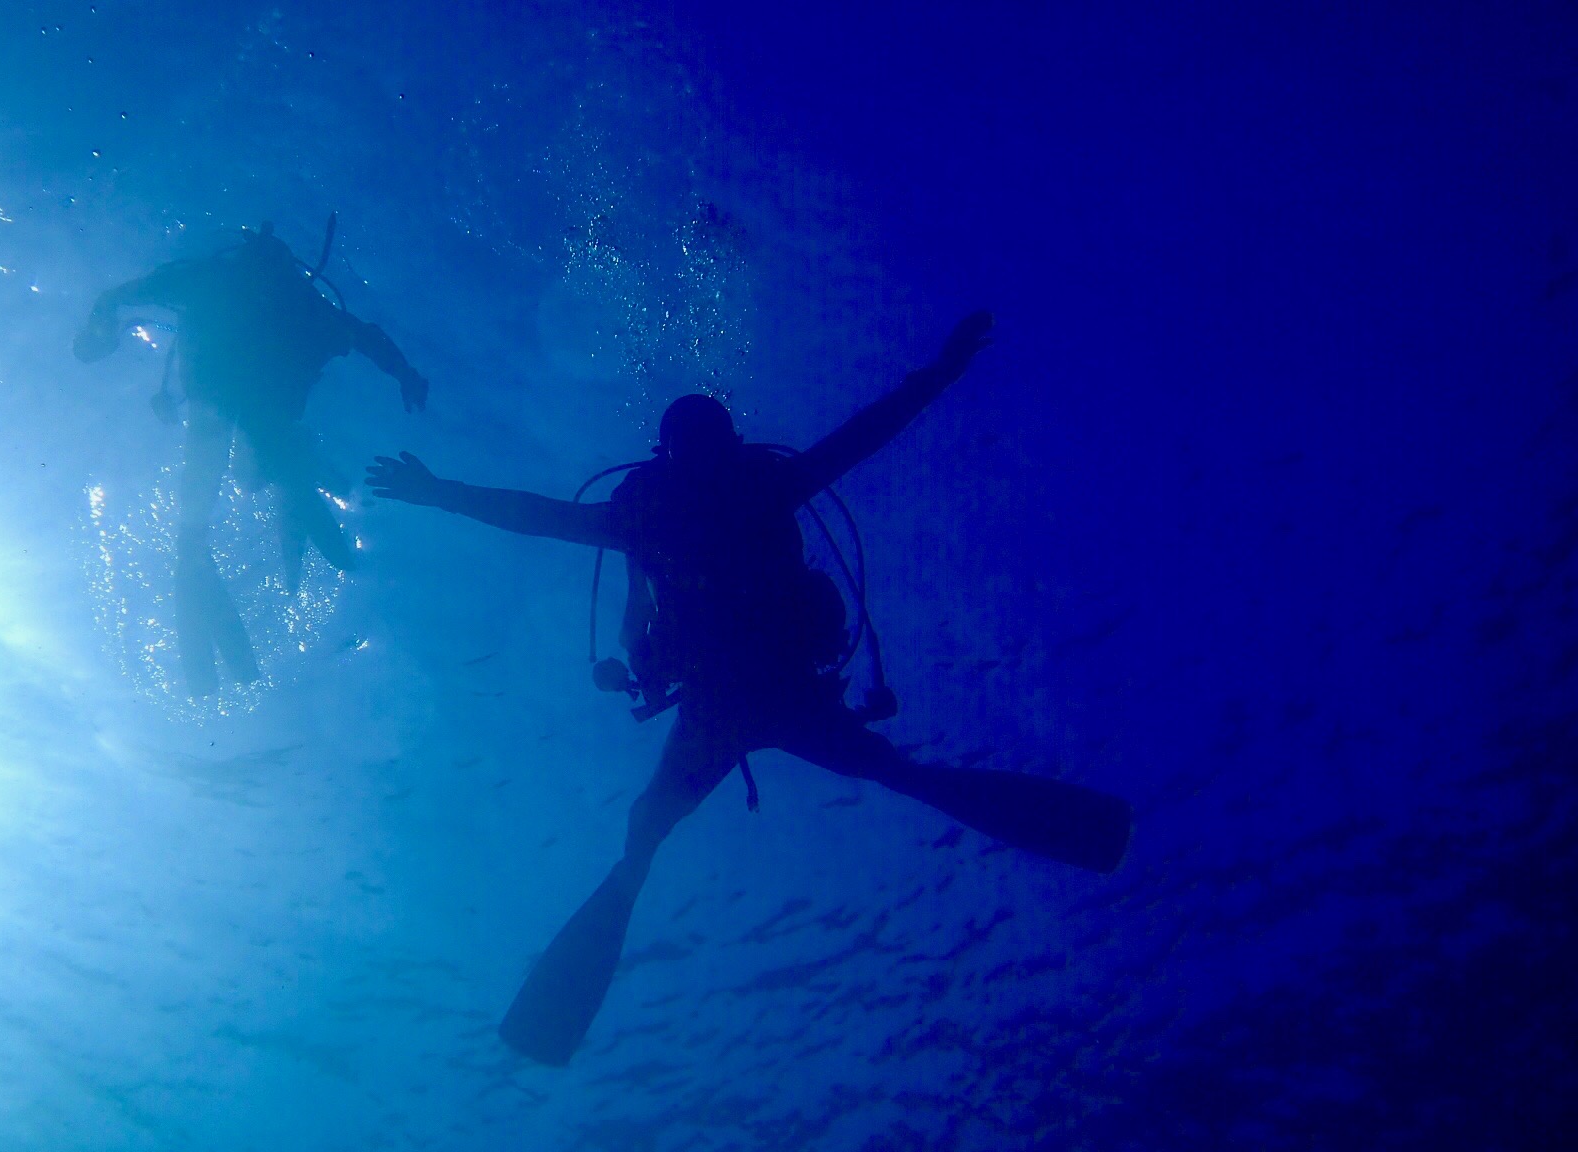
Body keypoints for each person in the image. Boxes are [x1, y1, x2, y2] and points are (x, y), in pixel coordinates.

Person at [366, 311, 1133, 1065]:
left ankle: (573, 979)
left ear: (668, 451)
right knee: (886, 775)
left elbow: (541, 517)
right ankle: (1075, 828)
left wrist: (442, 494)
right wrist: (941, 371)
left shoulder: (657, 513)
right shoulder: (755, 488)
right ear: (715, 444)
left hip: (729, 704)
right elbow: (868, 431)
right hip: (773, 693)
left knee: (649, 830)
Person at [76, 221, 428, 690]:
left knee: (201, 517)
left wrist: (101, 329)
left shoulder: (209, 278)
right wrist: (405, 372)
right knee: (276, 470)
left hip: (216, 400)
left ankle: (238, 533)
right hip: (263, 408)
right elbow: (365, 336)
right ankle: (300, 496)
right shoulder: (301, 304)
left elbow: (119, 295)